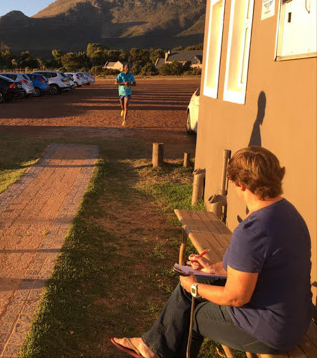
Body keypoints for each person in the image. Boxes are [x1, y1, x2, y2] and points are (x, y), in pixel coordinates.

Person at [112, 146, 311, 357]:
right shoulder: (289, 213)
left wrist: (195, 287)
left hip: (272, 331)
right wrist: (213, 268)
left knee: (194, 316)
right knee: (191, 286)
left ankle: (155, 349)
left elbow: (236, 297)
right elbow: (262, 266)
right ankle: (151, 347)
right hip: (294, 318)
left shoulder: (253, 230)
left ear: (240, 184)